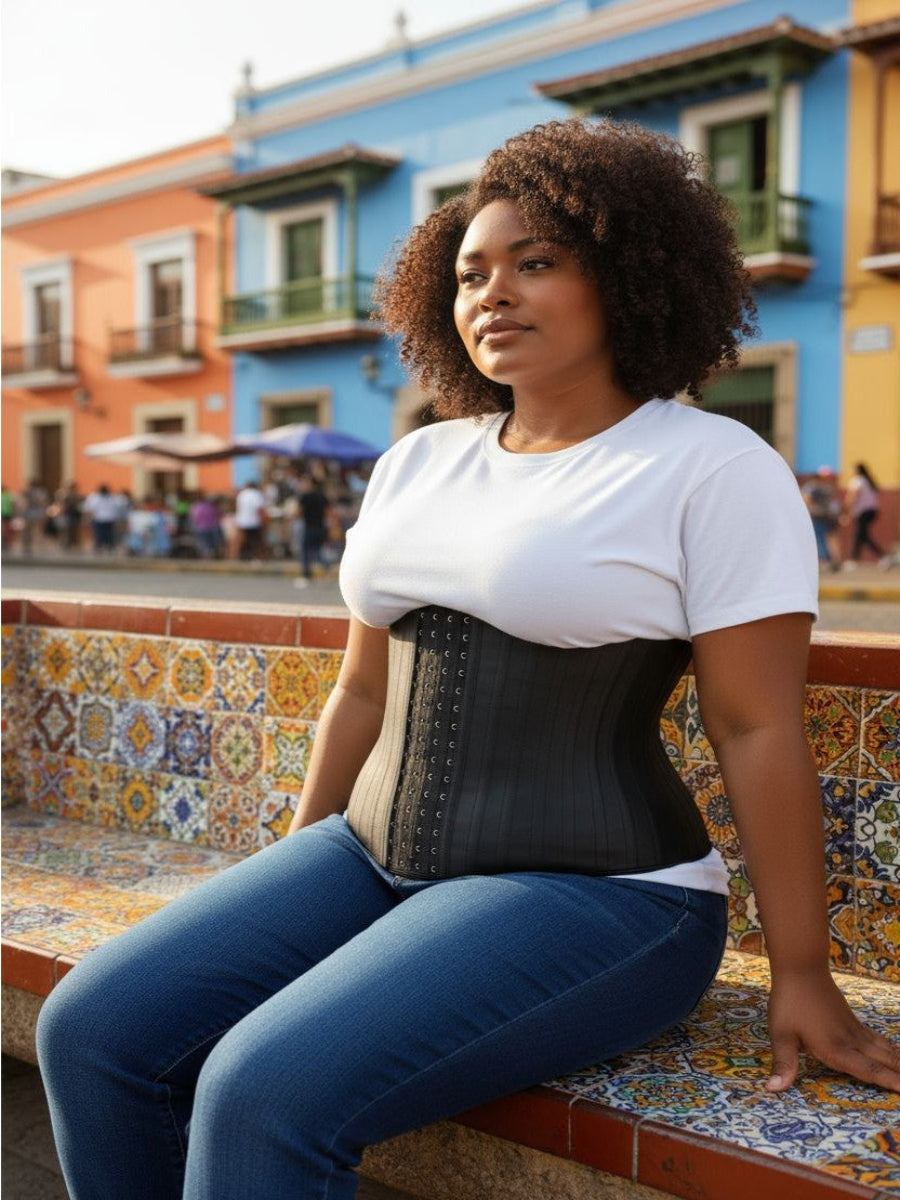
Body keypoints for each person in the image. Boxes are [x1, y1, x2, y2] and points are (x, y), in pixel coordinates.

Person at [36, 119, 899, 1200]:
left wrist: (803, 974)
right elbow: (362, 690)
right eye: (471, 274)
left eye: (536, 263)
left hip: (601, 895)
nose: (494, 294)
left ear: (627, 277)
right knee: (93, 1030)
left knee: (261, 1091)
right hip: (367, 855)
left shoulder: (711, 466)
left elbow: (756, 725)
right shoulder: (417, 460)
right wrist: (291, 883)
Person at [843, 461, 886, 567]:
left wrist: (847, 511)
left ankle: (854, 560)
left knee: (859, 535)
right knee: (862, 535)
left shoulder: (857, 481)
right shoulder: (868, 481)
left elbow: (854, 496)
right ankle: (882, 556)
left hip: (863, 512)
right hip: (872, 511)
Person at [800, 466, 842, 571]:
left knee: (818, 539)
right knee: (829, 538)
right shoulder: (827, 488)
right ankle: (833, 560)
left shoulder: (812, 487)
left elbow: (807, 500)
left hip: (816, 516)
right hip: (827, 516)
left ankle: (825, 560)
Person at [234, 478, 267, 560]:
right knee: (256, 540)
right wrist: (263, 521)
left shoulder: (241, 494)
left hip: (242, 521)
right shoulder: (256, 494)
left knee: (243, 540)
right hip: (253, 521)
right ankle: (257, 557)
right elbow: (260, 509)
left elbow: (237, 507)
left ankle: (239, 556)